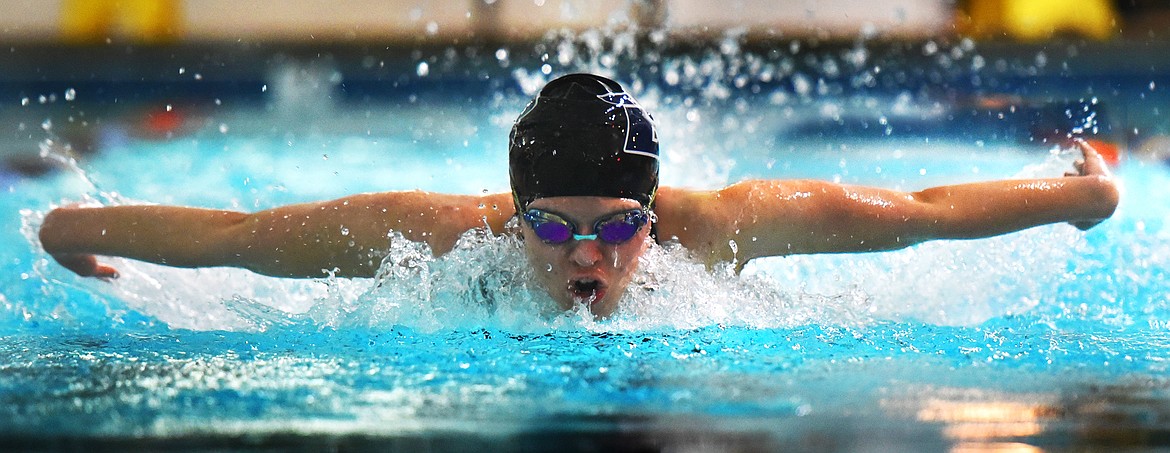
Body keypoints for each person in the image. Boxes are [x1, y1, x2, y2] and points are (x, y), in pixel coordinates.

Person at [38, 73, 1120, 317]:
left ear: (656, 216)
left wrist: (1082, 201)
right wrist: (67, 224)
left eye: (619, 232)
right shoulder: (439, 240)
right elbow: (239, 236)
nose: (588, 260)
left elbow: (921, 214)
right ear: (515, 215)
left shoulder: (723, 230)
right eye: (554, 229)